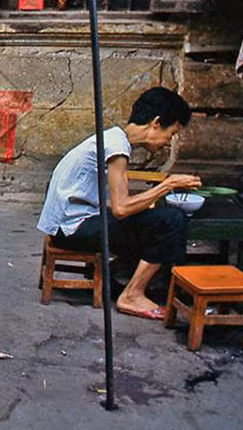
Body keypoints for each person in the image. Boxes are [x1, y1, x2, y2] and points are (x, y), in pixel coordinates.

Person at [37, 87, 202, 320]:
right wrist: (167, 186)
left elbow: (122, 203)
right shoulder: (117, 147)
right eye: (171, 133)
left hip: (68, 222)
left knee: (155, 218)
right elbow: (121, 208)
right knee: (172, 220)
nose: (168, 142)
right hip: (71, 229)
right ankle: (133, 294)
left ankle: (123, 278)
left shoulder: (114, 138)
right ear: (156, 123)